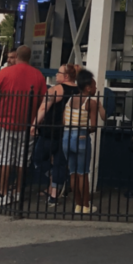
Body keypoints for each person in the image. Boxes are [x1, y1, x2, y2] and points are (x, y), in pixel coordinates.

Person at [0, 45, 47, 205]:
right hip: (28, 125)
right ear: (29, 57)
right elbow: (43, 99)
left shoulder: (5, 73)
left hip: (4, 122)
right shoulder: (38, 75)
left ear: (16, 56)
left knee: (4, 159)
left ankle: (2, 193)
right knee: (22, 160)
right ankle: (17, 191)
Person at [33, 63, 78, 206]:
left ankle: (53, 181)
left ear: (65, 76)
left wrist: (34, 125)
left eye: (58, 73)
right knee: (60, 163)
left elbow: (42, 109)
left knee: (38, 159)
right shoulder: (79, 91)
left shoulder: (55, 90)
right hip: (69, 132)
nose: (56, 75)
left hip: (50, 131)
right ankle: (53, 195)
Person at [63, 69, 105, 215]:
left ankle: (77, 204)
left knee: (73, 173)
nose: (95, 88)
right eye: (94, 85)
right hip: (81, 138)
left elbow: (64, 121)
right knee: (83, 174)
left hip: (66, 138)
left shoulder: (69, 100)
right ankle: (86, 205)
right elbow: (93, 126)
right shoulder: (90, 102)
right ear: (88, 87)